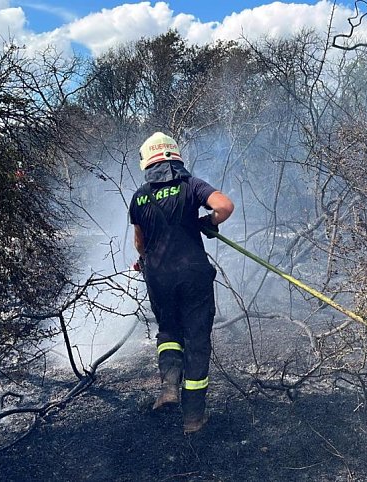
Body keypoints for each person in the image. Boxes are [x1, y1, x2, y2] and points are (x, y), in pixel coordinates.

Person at [129, 132, 234, 434]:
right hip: (193, 275)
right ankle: (193, 418)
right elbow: (224, 206)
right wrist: (208, 222)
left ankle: (168, 388)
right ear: (176, 158)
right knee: (197, 340)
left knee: (169, 332)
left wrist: (146, 259)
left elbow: (140, 243)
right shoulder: (191, 185)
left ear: (147, 163)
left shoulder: (140, 196)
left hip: (158, 277)